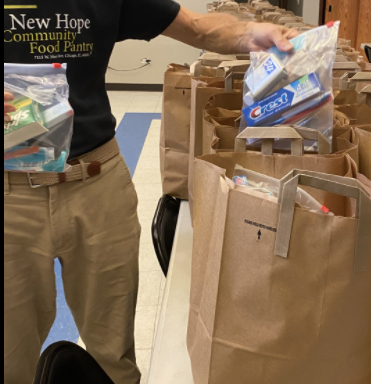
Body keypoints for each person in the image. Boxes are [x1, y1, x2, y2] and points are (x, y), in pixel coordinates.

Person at [3, 3, 298, 383]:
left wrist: (251, 34)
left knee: (114, 358)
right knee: (12, 359)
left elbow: (197, 28)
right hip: (12, 195)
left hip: (98, 182)